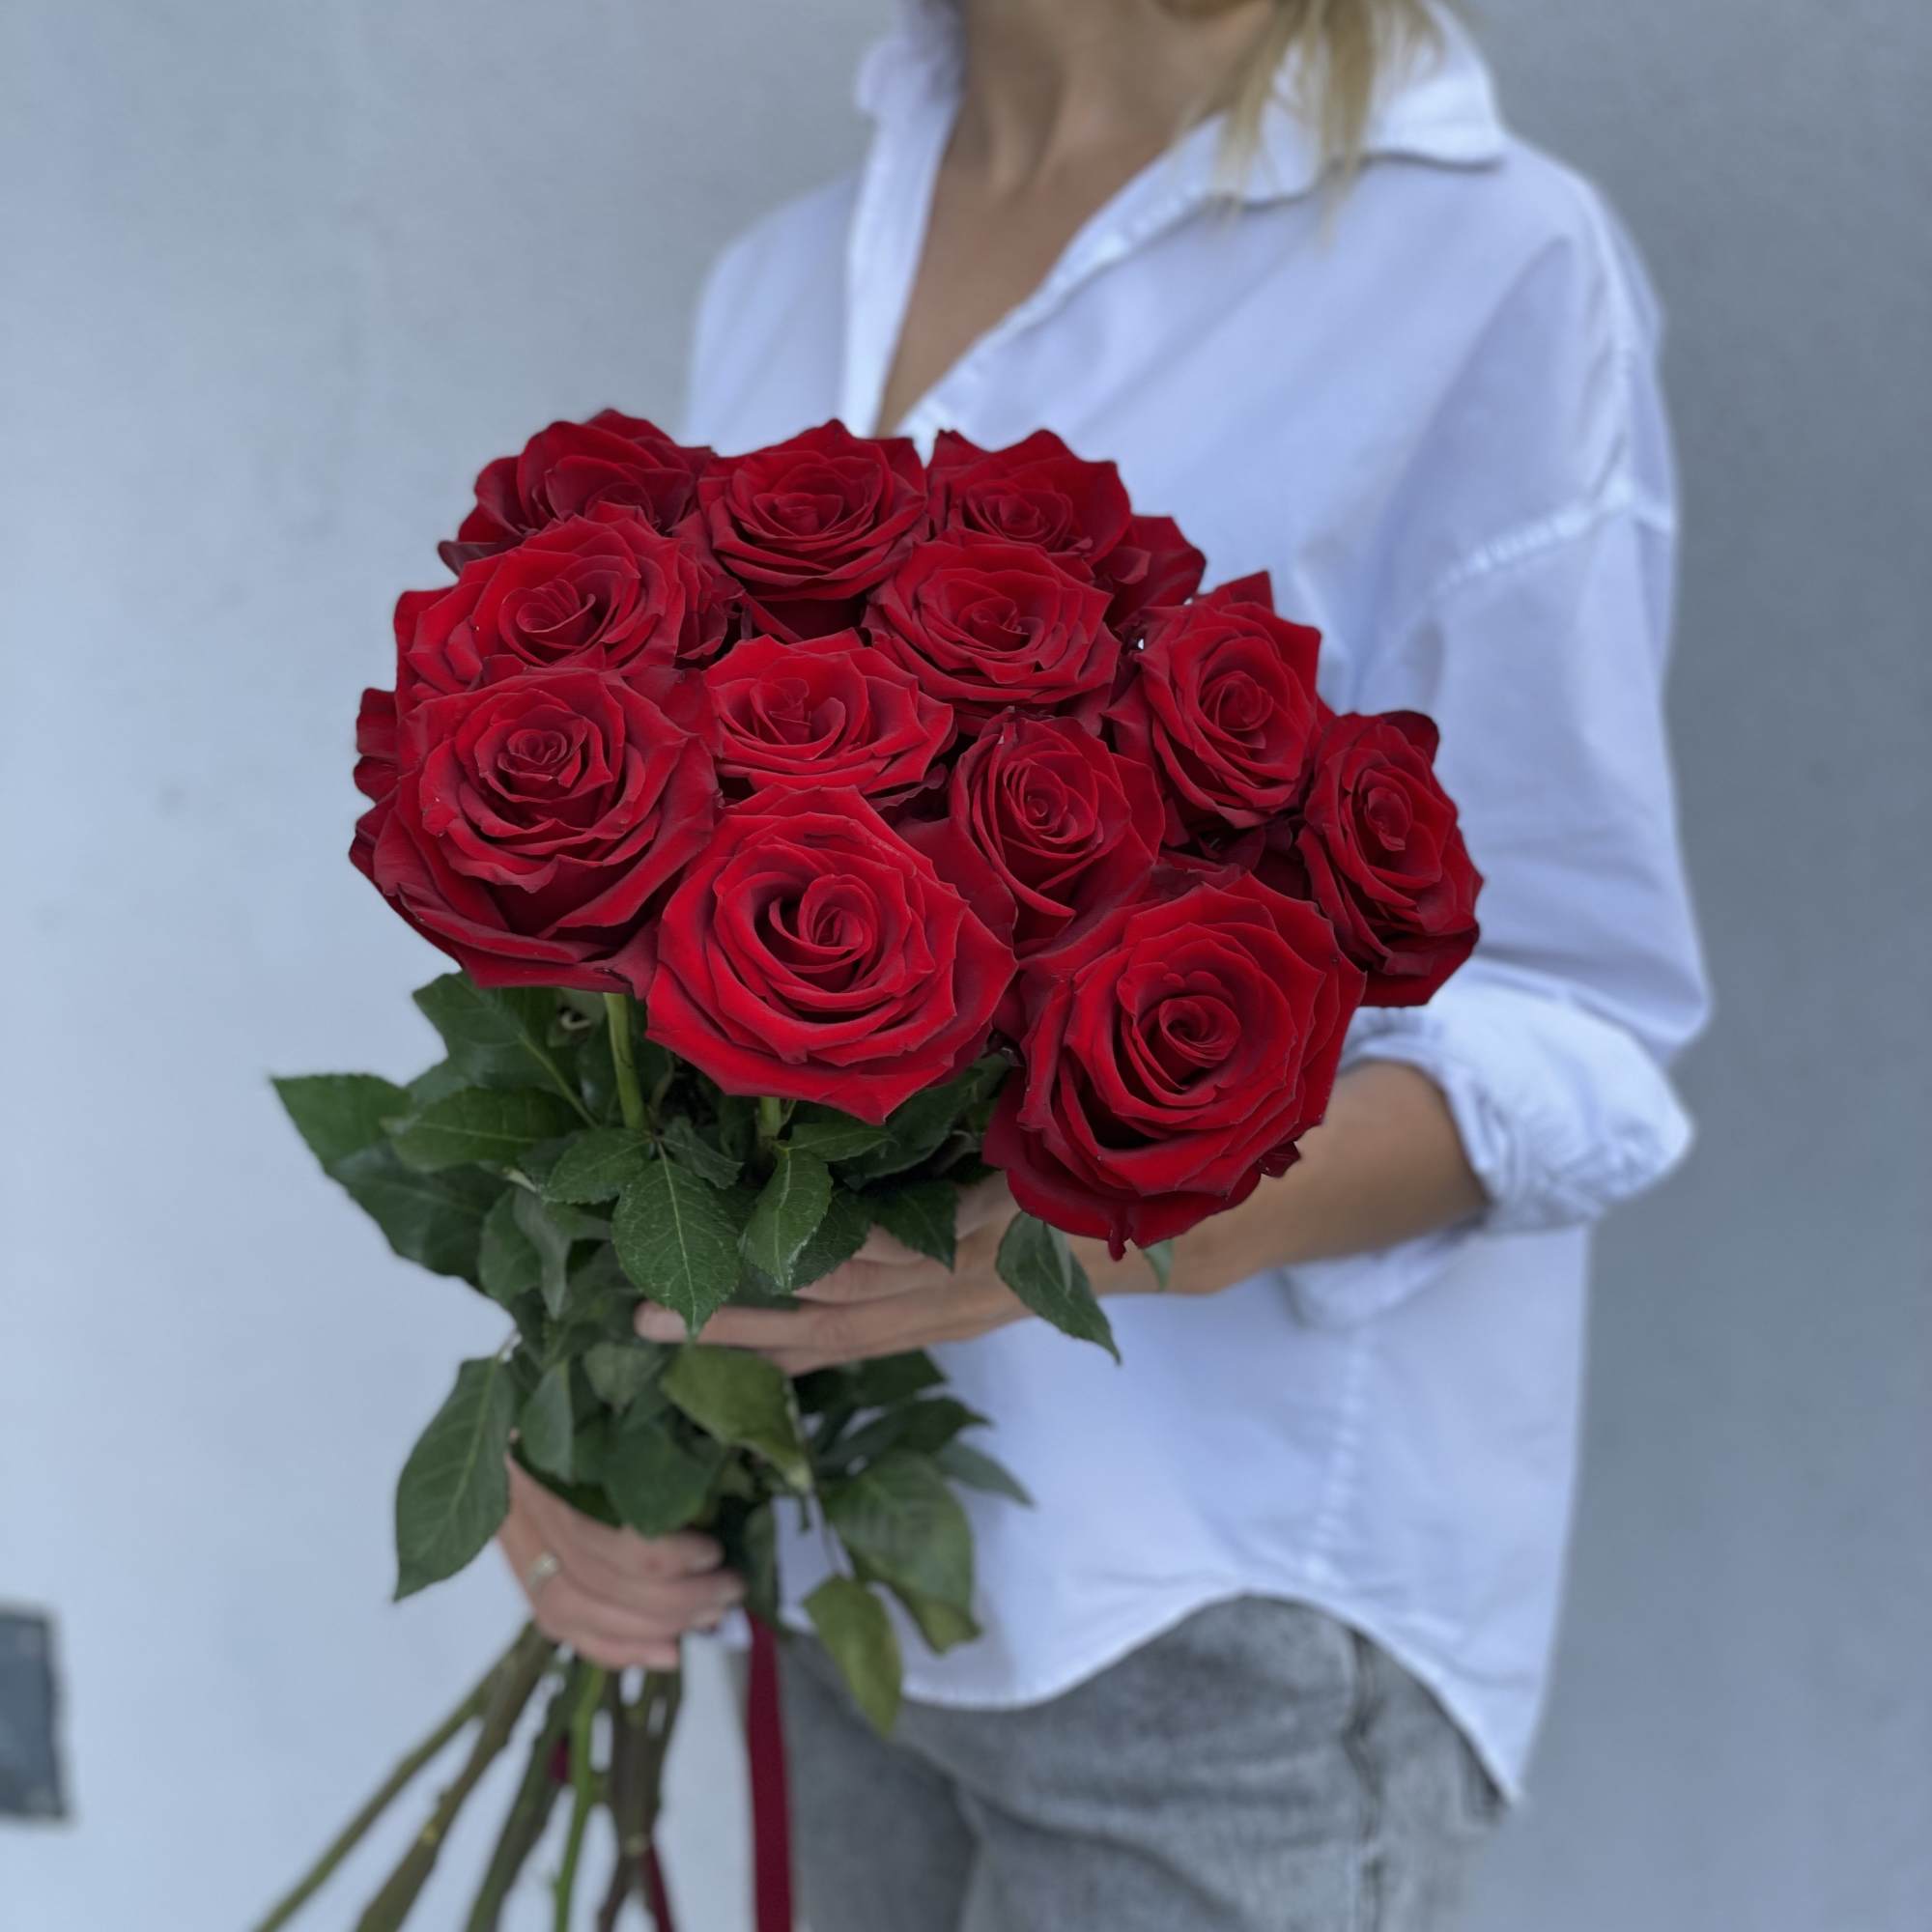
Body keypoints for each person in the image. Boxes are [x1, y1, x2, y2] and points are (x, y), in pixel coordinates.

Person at [496, 1, 1710, 1923]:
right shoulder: (786, 282)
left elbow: (1579, 1030)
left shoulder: (1485, 261)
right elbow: (663, 974)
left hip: (1217, 1609)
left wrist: (1094, 1225)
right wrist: (581, 1398)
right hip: (834, 1570)